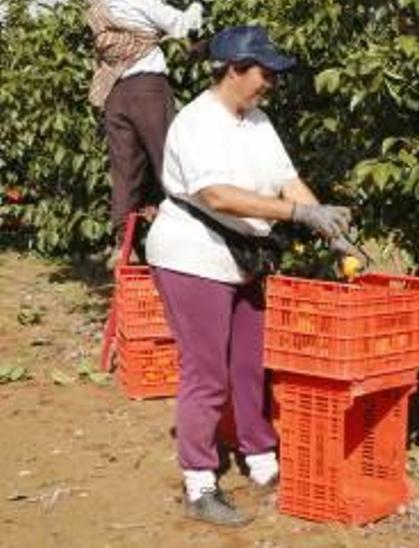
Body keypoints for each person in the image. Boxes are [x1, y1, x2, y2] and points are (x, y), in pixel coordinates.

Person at [145, 26, 355, 526]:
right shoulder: (198, 122)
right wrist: (297, 216)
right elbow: (217, 195)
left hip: (240, 257)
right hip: (191, 256)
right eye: (265, 73)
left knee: (250, 364)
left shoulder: (257, 121)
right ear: (235, 69)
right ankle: (199, 482)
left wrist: (327, 223)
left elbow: (288, 180)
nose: (271, 84)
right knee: (207, 373)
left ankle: (261, 460)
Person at [87, 0, 204, 264]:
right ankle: (193, 235)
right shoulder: (140, 2)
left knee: (125, 169)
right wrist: (197, 5)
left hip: (116, 93)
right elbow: (183, 26)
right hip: (147, 89)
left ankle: (124, 245)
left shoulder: (99, 8)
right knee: (169, 158)